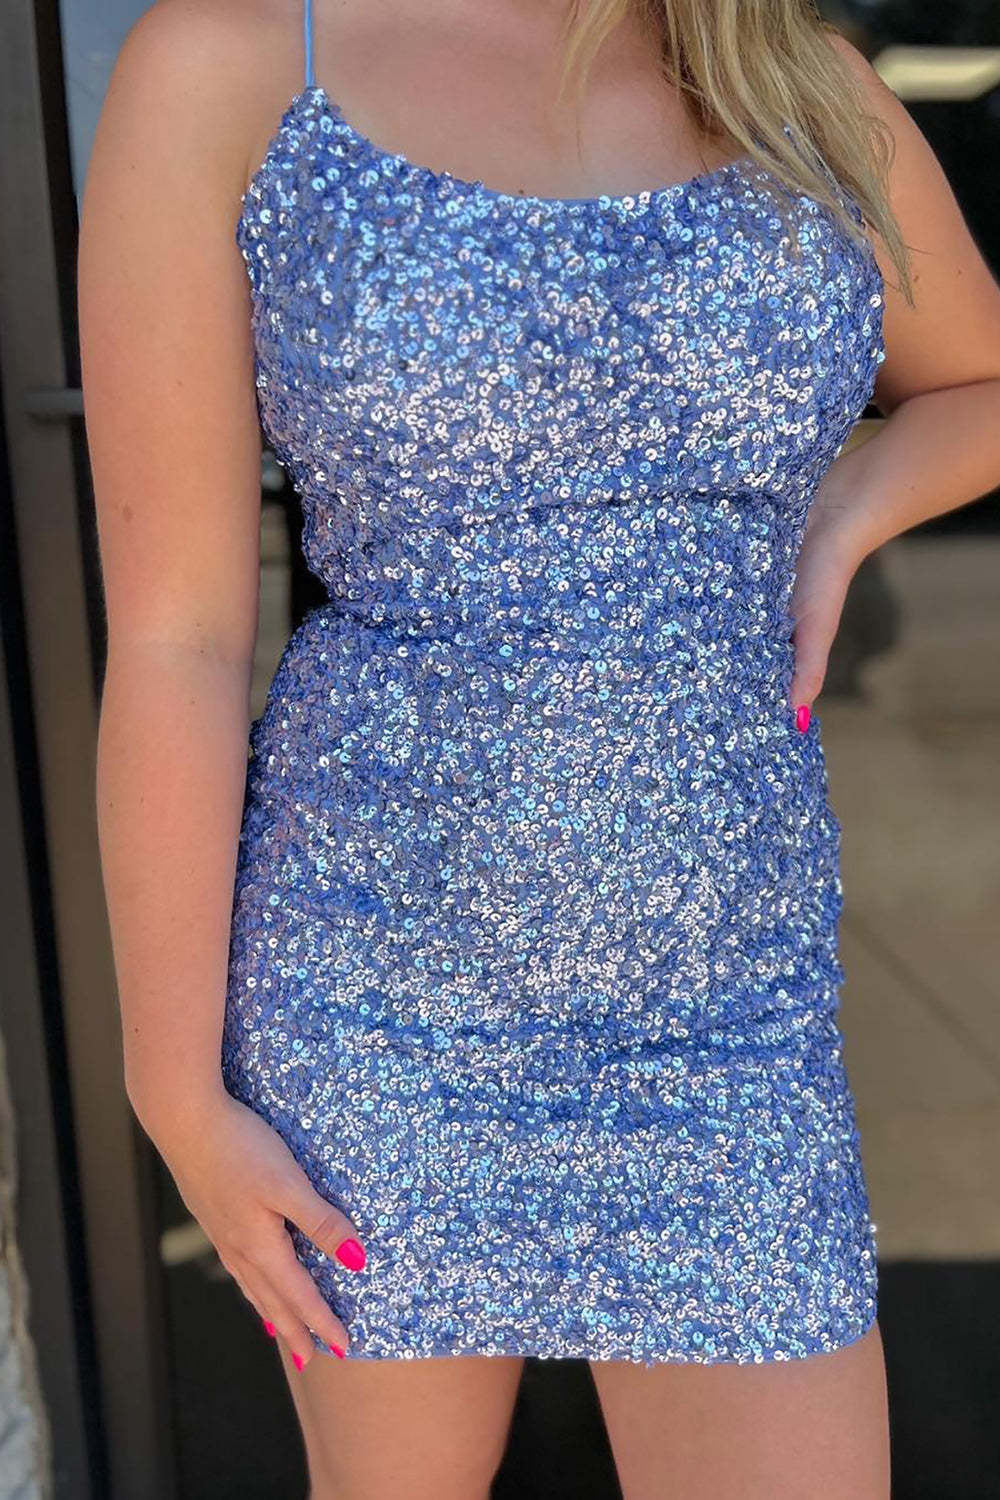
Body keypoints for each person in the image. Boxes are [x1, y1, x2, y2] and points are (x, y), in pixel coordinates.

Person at [77, 0, 1000, 1495]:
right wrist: (176, 1093)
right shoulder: (234, 66)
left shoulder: (782, 74)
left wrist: (841, 514)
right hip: (384, 999)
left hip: (729, 1011)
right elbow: (179, 638)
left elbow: (981, 378)